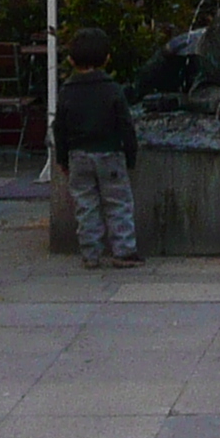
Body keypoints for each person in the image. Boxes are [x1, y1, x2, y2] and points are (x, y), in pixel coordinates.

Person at [52, 27, 142, 269]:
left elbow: (59, 127)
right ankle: (123, 251)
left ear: (70, 60)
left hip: (78, 155)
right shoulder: (112, 90)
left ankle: (91, 253)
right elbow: (126, 125)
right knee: (118, 202)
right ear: (107, 59)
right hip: (110, 153)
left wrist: (62, 159)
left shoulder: (67, 91)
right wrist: (130, 156)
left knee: (86, 204)